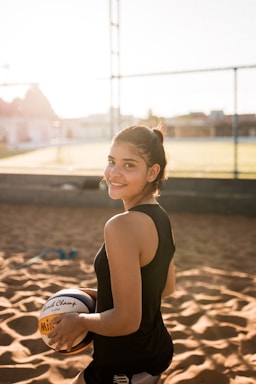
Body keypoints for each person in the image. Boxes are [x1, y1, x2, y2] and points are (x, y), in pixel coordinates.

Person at [48, 125, 176, 384]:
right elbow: (164, 288)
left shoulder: (121, 225)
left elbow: (127, 320)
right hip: (154, 352)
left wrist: (81, 320)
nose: (113, 173)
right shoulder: (161, 217)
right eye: (111, 161)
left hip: (123, 364)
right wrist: (98, 296)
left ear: (152, 172)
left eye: (129, 165)